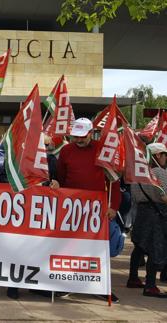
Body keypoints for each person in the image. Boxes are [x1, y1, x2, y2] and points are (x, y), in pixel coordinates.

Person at [56, 117, 121, 303]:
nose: (78, 140)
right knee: (71, 247)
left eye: (82, 137)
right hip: (72, 208)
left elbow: (114, 181)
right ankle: (67, 283)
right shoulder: (66, 150)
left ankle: (102, 286)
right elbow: (61, 176)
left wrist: (113, 206)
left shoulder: (102, 150)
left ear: (91, 133)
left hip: (97, 209)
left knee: (99, 249)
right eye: (75, 136)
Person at [127, 143, 167, 297]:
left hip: (142, 213)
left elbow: (135, 197)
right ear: (158, 155)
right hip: (158, 214)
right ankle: (150, 285)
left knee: (139, 247)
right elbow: (163, 196)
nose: (165, 158)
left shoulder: (138, 174)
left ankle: (133, 277)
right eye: (165, 155)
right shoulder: (160, 173)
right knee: (155, 249)